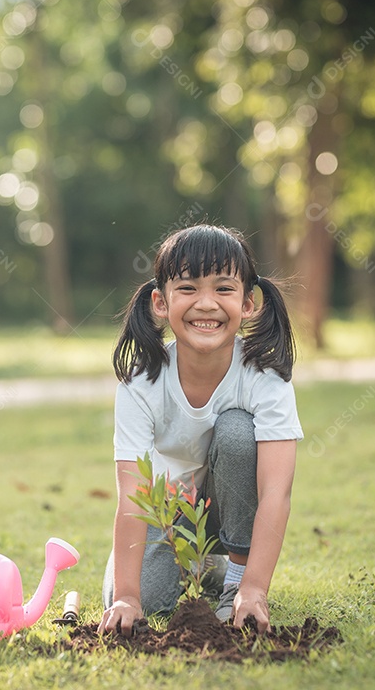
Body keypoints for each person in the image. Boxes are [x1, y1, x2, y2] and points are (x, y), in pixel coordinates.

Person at [98, 224, 303, 635]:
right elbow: (134, 497)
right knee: (146, 600)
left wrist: (255, 588)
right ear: (160, 301)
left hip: (231, 505)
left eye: (223, 289)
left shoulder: (264, 377)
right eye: (188, 288)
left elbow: (276, 491)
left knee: (236, 432)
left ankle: (234, 581)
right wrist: (127, 595)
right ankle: (206, 563)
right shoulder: (141, 383)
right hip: (170, 511)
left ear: (248, 304)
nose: (206, 304)